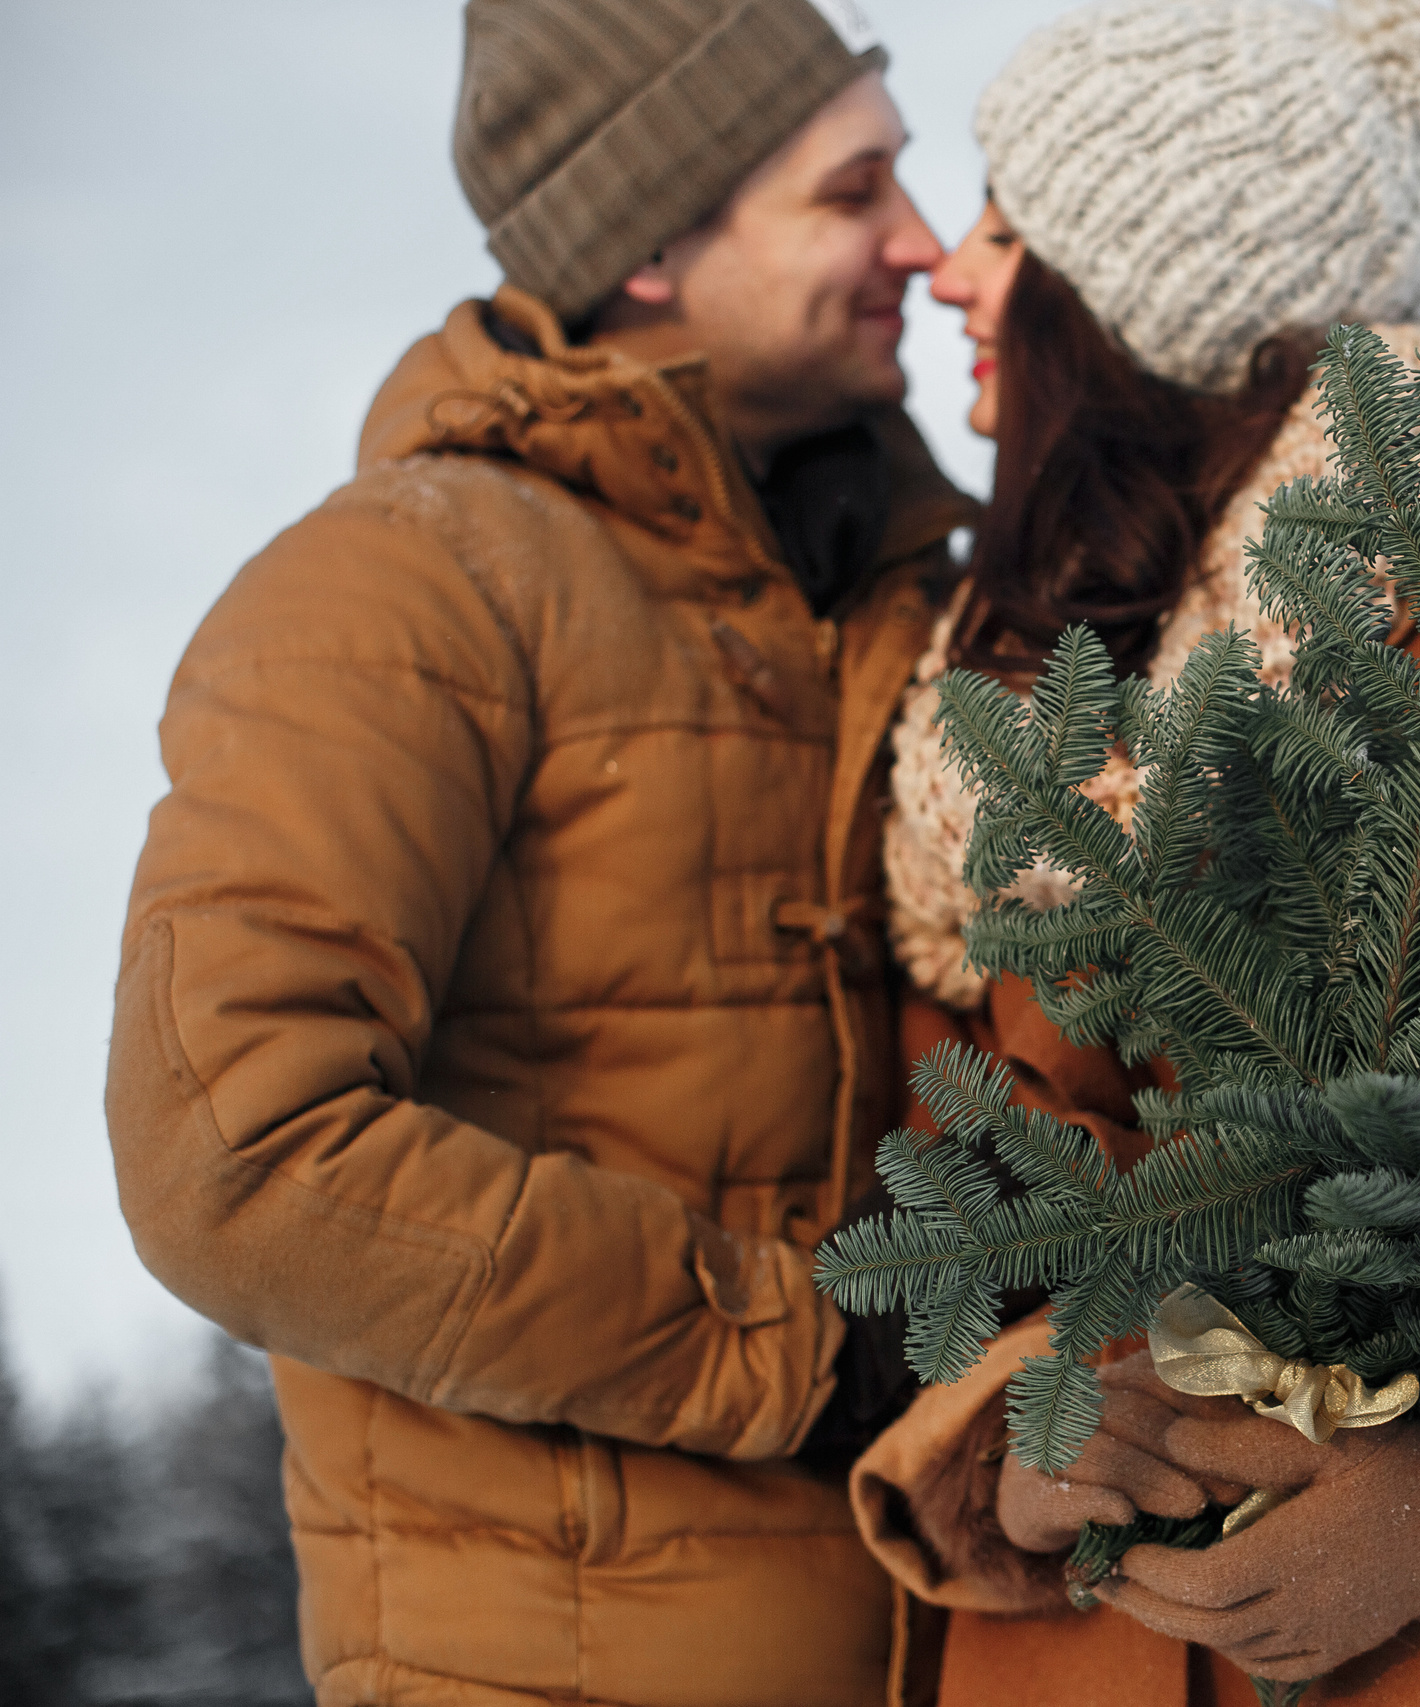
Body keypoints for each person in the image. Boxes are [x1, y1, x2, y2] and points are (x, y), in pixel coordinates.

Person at [847, 4, 1420, 1703]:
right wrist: (1016, 1432)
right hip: (1078, 1638)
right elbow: (946, 1188)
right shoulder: (1001, 706)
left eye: (1003, 228)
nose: (951, 276)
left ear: (1146, 279)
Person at [103, 3, 972, 1702]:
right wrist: (798, 1351)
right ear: (651, 240)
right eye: (851, 193)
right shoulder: (405, 593)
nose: (923, 247)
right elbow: (236, 1154)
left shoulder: (904, 602)